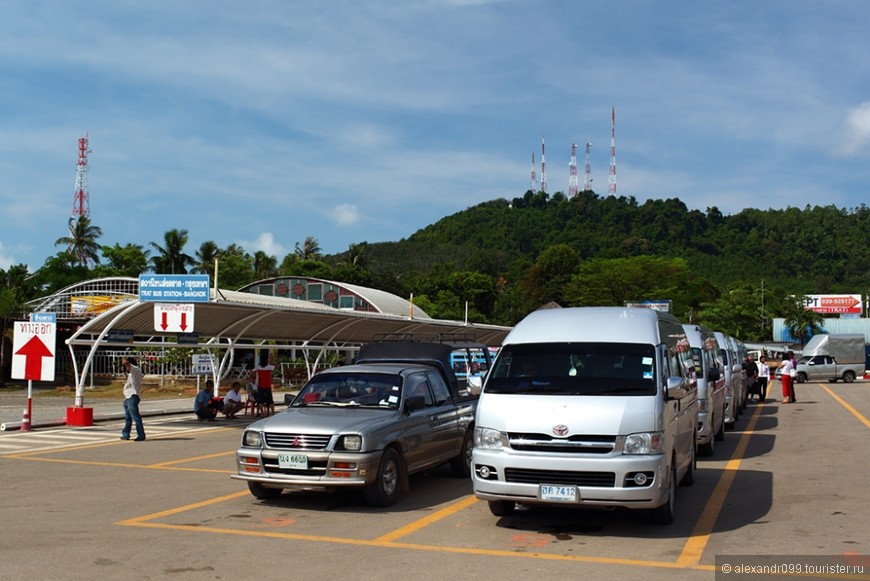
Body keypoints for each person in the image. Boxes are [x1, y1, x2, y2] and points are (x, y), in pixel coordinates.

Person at [120, 356, 146, 441]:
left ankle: (141, 435)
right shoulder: (132, 373)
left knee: (135, 417)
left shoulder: (135, 370)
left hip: (132, 396)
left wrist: (124, 358)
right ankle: (126, 434)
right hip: (128, 397)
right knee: (128, 418)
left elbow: (126, 363)